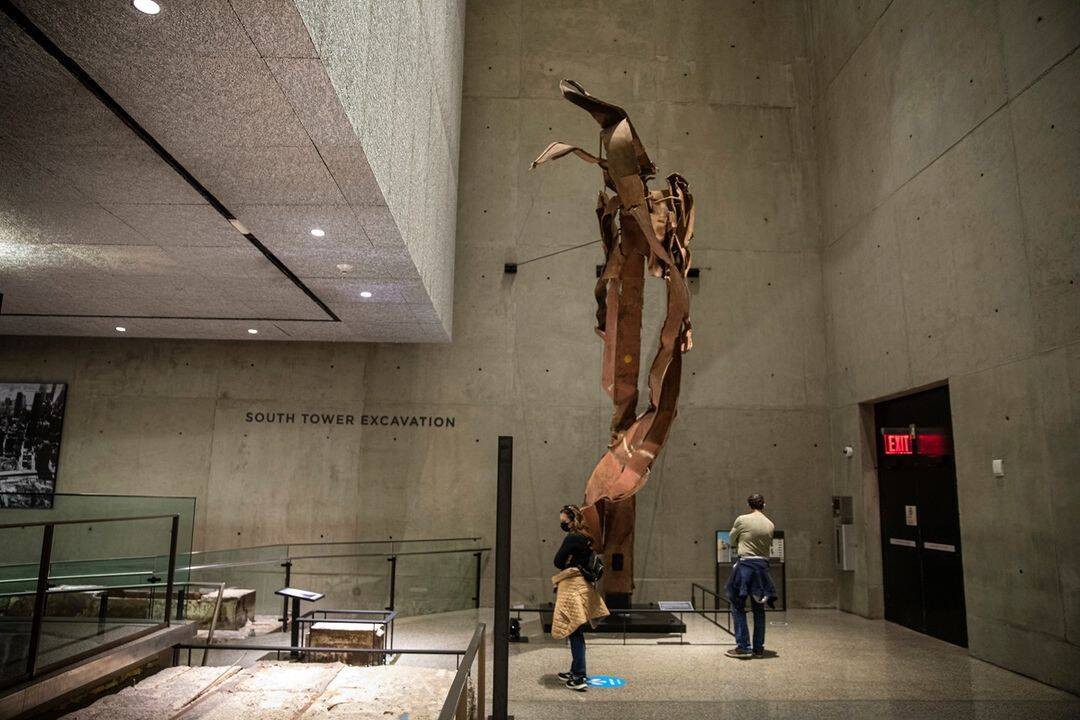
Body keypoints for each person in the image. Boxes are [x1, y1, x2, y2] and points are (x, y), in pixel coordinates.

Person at [551, 504, 609, 692]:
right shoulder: (585, 537)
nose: (562, 524)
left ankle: (579, 676)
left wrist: (567, 561)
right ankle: (576, 670)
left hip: (572, 587)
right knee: (576, 630)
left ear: (571, 520)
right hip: (582, 585)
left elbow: (558, 561)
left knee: (574, 630)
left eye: (563, 521)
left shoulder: (572, 538)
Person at [725, 493, 777, 659]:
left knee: (737, 605)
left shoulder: (742, 519)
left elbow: (732, 539)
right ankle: (758, 649)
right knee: (759, 609)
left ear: (749, 505)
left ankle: (743, 646)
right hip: (762, 569)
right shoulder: (770, 524)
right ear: (764, 504)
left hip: (745, 567)